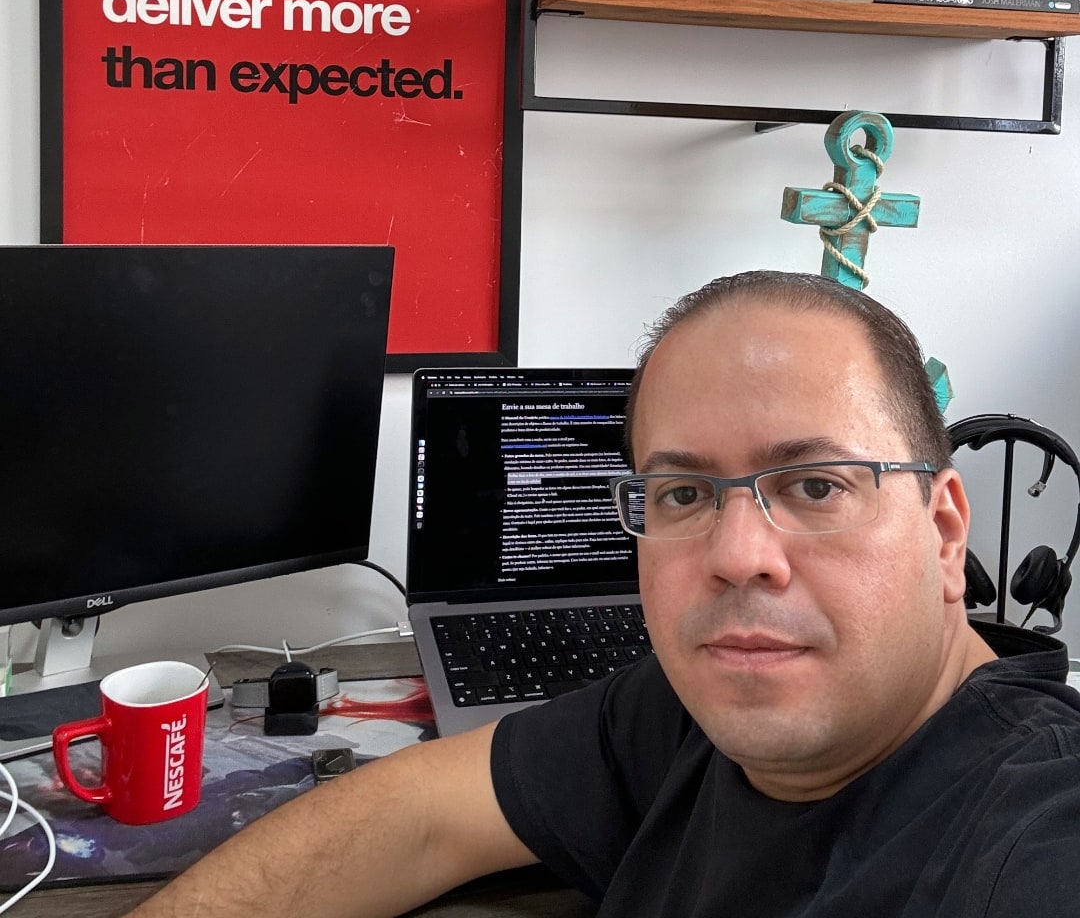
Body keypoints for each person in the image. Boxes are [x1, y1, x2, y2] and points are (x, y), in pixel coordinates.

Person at [128, 270, 1080, 918]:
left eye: (815, 485)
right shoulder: (676, 717)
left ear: (945, 528)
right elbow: (416, 812)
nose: (738, 556)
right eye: (681, 494)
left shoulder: (1028, 831)